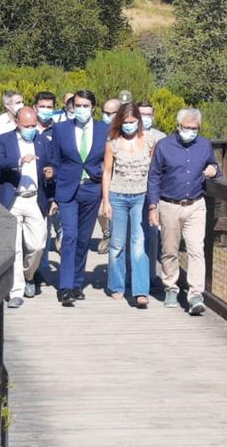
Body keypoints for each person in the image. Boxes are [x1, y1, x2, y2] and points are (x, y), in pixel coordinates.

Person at [147, 108, 220, 314]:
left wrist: (214, 170)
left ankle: (195, 293)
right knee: (169, 249)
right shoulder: (164, 146)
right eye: (187, 128)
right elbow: (154, 177)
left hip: (196, 205)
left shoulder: (204, 145)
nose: (190, 131)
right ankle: (171, 286)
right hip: (169, 204)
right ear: (178, 127)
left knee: (196, 250)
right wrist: (153, 206)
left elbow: (214, 166)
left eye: (194, 128)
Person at [45, 90, 107, 307]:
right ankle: (65, 287)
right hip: (67, 189)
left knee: (83, 239)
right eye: (78, 105)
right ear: (72, 107)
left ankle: (78, 283)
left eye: (86, 106)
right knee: (69, 235)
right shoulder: (61, 129)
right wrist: (52, 186)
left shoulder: (103, 130)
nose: (81, 110)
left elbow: (109, 161)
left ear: (93, 108)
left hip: (92, 188)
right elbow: (54, 159)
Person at [0, 107, 54, 308]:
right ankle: (16, 291)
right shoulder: (3, 139)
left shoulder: (42, 141)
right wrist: (19, 160)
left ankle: (29, 275)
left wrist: (50, 173)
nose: (30, 129)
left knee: (38, 246)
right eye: (26, 126)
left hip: (35, 199)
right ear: (17, 123)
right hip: (13, 200)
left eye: (33, 125)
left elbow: (53, 164)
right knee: (15, 248)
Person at [99, 103, 156, 308]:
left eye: (133, 122)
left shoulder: (149, 141)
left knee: (139, 243)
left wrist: (153, 202)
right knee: (117, 242)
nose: (129, 126)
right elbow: (106, 171)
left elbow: (153, 172)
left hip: (141, 196)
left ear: (139, 122)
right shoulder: (112, 142)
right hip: (118, 195)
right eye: (125, 122)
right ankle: (116, 285)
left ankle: (141, 290)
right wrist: (106, 200)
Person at [137, 101, 167, 291]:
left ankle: (150, 275)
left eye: (148, 114)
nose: (144, 118)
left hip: (154, 192)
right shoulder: (129, 135)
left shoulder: (161, 138)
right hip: (132, 190)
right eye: (141, 114)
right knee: (133, 235)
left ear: (153, 116)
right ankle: (132, 274)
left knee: (152, 234)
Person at [31, 91, 60, 281]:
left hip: (49, 190)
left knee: (45, 232)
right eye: (42, 106)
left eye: (50, 107)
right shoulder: (27, 129)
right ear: (34, 107)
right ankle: (27, 272)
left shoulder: (59, 131)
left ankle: (40, 271)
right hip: (26, 189)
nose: (45, 110)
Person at [94, 97, 123, 254]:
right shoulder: (98, 130)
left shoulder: (125, 131)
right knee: (101, 212)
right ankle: (107, 234)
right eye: (105, 112)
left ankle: (118, 240)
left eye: (112, 113)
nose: (108, 116)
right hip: (102, 176)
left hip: (122, 178)